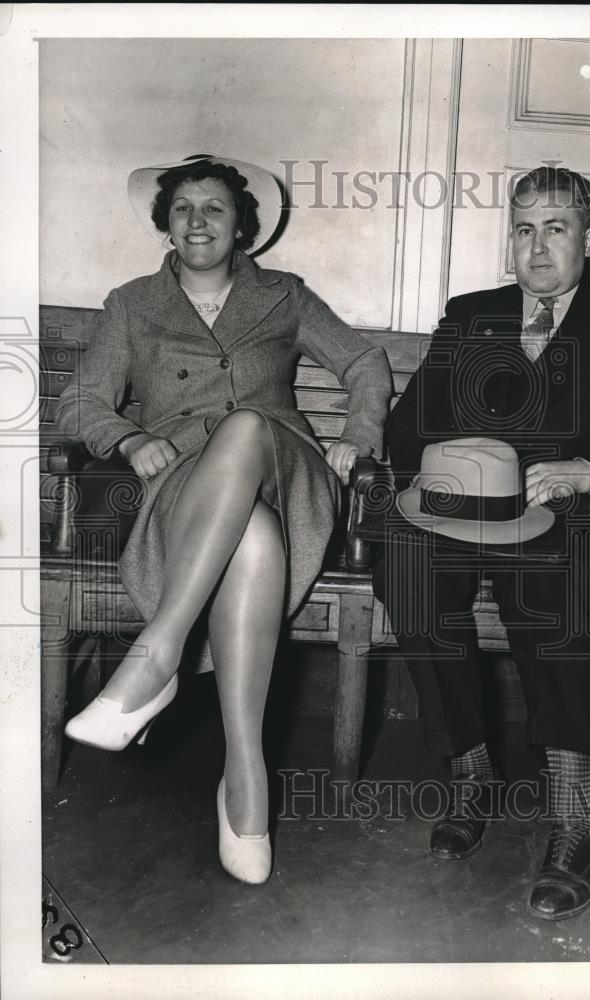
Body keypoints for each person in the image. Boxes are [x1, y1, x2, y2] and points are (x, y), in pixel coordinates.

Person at [57, 153, 393, 885]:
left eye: (214, 208)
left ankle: (155, 657)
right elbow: (79, 402)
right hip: (182, 485)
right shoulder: (130, 303)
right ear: (164, 224)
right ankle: (246, 780)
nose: (198, 221)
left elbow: (365, 363)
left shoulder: (284, 297)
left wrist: (356, 436)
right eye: (183, 209)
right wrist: (130, 437)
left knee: (244, 427)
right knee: (253, 540)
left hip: (285, 468)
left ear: (242, 225)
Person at [373, 165, 590, 919]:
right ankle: (471, 772)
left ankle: (575, 816)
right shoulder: (470, 315)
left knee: (548, 577)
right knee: (405, 567)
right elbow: (407, 428)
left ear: (589, 240)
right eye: (522, 228)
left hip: (571, 517)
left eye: (556, 228)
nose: (537, 247)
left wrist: (585, 472)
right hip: (467, 510)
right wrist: (439, 479)